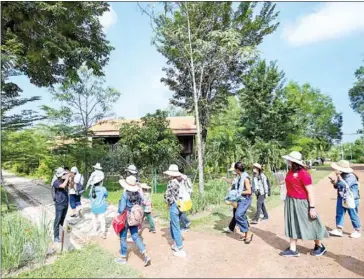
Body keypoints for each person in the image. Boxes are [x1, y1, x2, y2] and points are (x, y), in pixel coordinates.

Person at [280, 151, 328, 257]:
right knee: (292, 223)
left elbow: (310, 191)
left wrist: (312, 207)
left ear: (293, 161)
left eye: (289, 160)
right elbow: (291, 182)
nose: (287, 161)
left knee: (310, 223)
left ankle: (319, 246)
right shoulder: (291, 171)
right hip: (291, 201)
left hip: (301, 202)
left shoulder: (304, 174)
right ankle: (293, 249)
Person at [115, 176, 151, 267]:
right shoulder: (138, 194)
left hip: (126, 219)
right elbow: (139, 205)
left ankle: (123, 257)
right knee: (135, 236)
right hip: (134, 218)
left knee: (123, 238)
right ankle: (146, 255)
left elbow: (122, 209)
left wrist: (119, 211)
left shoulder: (125, 194)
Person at [329, 160, 361, 238]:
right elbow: (338, 186)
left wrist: (339, 177)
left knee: (353, 214)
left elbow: (345, 185)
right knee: (339, 213)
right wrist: (334, 183)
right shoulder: (342, 175)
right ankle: (339, 229)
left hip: (351, 199)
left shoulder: (351, 176)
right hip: (342, 197)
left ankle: (357, 230)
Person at [164, 164, 187, 257]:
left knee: (175, 226)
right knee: (173, 224)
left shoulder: (171, 182)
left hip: (174, 205)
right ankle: (175, 243)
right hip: (182, 204)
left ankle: (179, 247)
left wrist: (168, 203)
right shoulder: (182, 180)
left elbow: (168, 196)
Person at [231, 162, 254, 243]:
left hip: (246, 199)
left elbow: (249, 191)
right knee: (242, 215)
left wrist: (238, 192)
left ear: (237, 170)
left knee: (238, 215)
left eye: (235, 169)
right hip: (240, 199)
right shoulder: (239, 177)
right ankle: (245, 234)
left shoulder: (245, 178)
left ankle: (248, 232)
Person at [52, 167, 69, 243]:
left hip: (65, 203)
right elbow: (62, 186)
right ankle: (55, 236)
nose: (65, 175)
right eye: (63, 174)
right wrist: (67, 178)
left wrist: (69, 178)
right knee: (57, 220)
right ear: (60, 175)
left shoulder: (64, 180)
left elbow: (71, 186)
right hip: (59, 204)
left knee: (62, 220)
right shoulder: (56, 182)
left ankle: (60, 234)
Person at [89, 169, 108, 239]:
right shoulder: (103, 189)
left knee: (94, 219)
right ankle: (103, 232)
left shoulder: (92, 189)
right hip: (101, 207)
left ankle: (94, 229)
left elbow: (90, 196)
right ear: (100, 182)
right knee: (102, 220)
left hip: (94, 207)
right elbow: (106, 195)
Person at [222, 163, 239, 233]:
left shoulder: (239, 178)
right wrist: (225, 179)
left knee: (236, 212)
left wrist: (232, 189)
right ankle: (244, 225)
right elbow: (232, 182)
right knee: (238, 212)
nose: (232, 172)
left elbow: (238, 187)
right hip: (235, 197)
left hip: (237, 197)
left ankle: (231, 228)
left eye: (233, 171)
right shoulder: (235, 177)